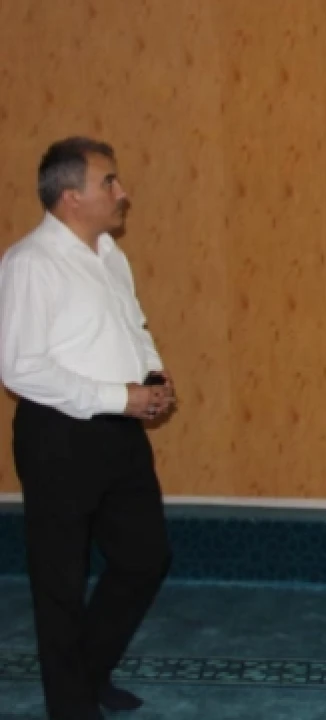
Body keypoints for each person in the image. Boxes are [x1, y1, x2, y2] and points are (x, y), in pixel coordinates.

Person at [0, 137, 175, 720]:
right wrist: (118, 397)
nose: (122, 192)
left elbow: (133, 325)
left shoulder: (109, 254)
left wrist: (151, 375)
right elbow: (21, 368)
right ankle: (70, 708)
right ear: (71, 197)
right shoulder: (30, 264)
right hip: (58, 437)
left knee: (145, 557)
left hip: (118, 433)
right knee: (60, 581)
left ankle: (89, 670)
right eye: (109, 182)